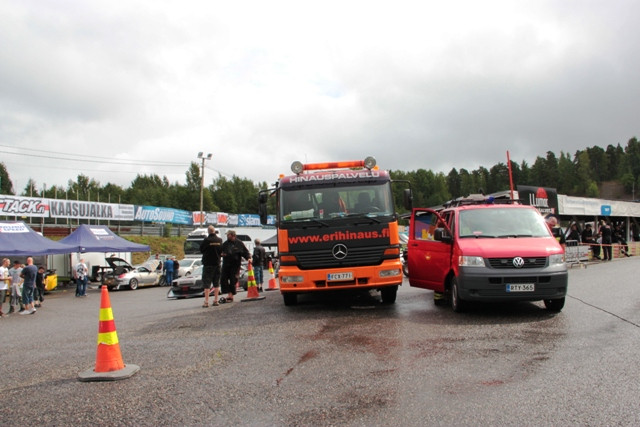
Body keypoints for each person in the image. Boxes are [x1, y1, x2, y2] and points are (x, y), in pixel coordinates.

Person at [220, 229, 250, 302]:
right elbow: (220, 252)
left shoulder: (239, 243)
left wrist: (249, 258)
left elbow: (245, 252)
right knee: (223, 279)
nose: (227, 236)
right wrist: (222, 254)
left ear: (233, 235)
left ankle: (231, 295)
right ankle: (229, 293)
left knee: (233, 280)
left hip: (235, 265)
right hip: (226, 264)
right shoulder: (225, 244)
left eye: (228, 235)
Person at [199, 225, 223, 307]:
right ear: (214, 231)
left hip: (208, 264)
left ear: (208, 231)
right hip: (217, 264)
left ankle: (206, 302)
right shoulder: (219, 240)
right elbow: (221, 251)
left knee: (207, 283)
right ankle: (216, 300)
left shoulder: (206, 240)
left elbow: (201, 250)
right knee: (216, 283)